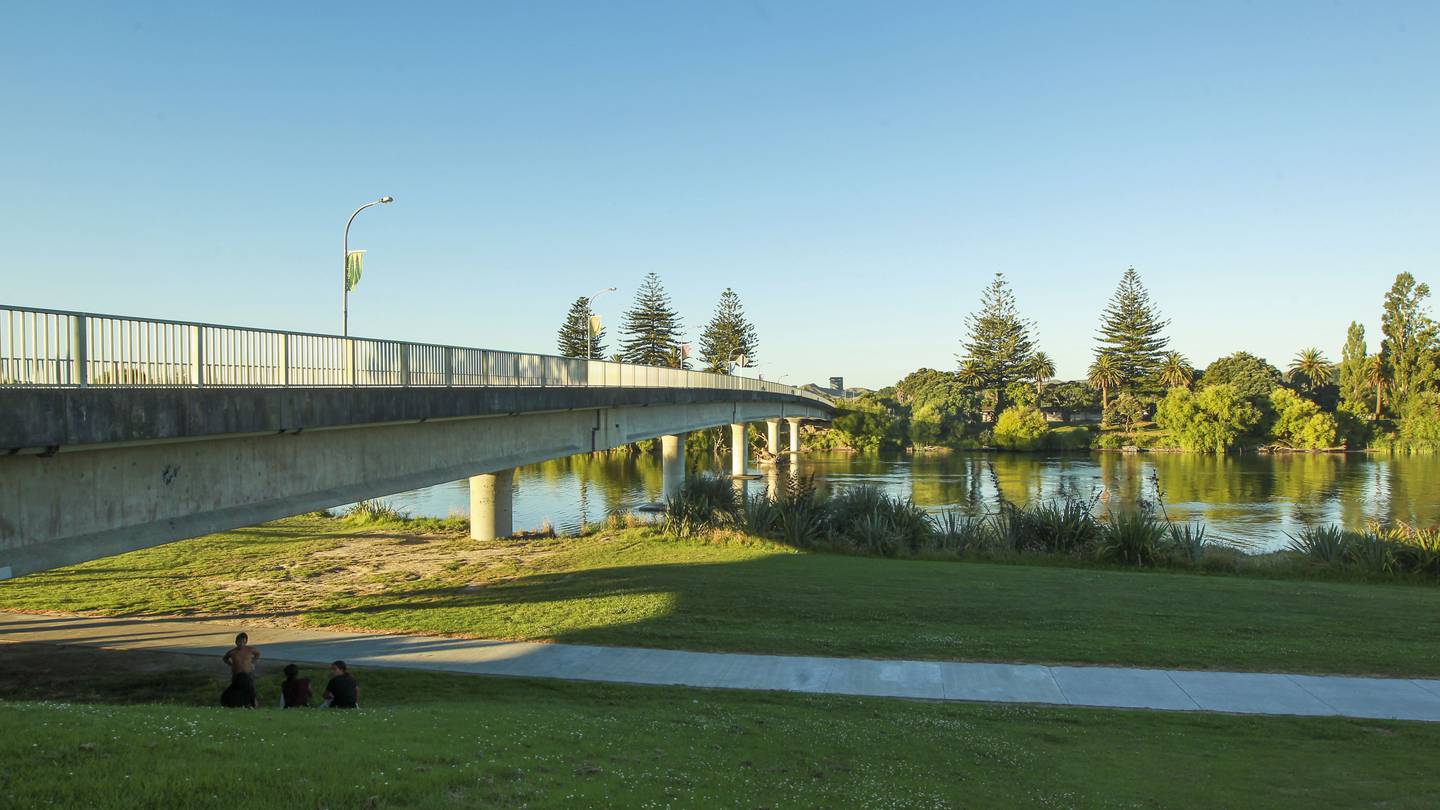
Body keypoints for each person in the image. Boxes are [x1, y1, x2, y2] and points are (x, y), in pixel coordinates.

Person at [220, 632, 261, 709]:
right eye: (239, 642)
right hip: (237, 675)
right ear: (236, 642)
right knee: (236, 690)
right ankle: (238, 703)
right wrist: (231, 664)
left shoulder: (250, 650)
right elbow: (225, 658)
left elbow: (258, 654)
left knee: (251, 690)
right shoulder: (232, 652)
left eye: (243, 642)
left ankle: (253, 705)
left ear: (246, 642)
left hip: (248, 674)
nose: (241, 644)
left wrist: (252, 662)